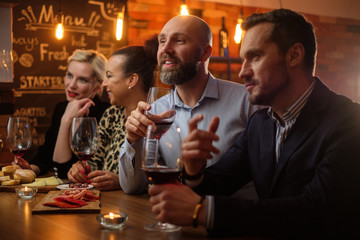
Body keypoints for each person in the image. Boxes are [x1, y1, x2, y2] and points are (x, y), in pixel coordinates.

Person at [147, 9, 360, 238]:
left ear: (294, 55)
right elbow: (220, 181)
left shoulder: (349, 120)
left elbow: (318, 211)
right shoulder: (261, 122)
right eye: (242, 60)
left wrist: (205, 211)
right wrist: (194, 169)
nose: (242, 72)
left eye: (255, 57)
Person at [119, 15, 260, 194]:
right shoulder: (155, 110)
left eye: (179, 40)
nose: (165, 49)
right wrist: (133, 140)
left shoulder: (248, 102)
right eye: (162, 41)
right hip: (178, 219)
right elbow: (132, 187)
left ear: (205, 53)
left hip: (234, 218)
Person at [66, 36, 158, 190]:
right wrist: (80, 169)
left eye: (109, 76)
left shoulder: (157, 119)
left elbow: (165, 178)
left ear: (131, 80)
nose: (104, 83)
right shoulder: (112, 114)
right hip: (108, 206)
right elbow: (94, 163)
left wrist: (122, 181)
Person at [15, 49, 110, 178]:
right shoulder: (61, 107)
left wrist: (66, 120)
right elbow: (47, 154)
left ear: (98, 86)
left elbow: (63, 170)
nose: (71, 85)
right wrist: (30, 169)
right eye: (69, 75)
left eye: (82, 80)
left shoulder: (107, 113)